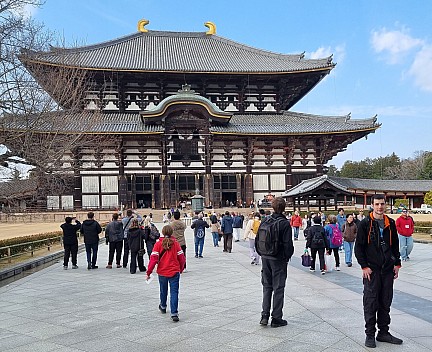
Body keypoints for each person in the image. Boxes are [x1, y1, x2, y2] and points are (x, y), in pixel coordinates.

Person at [354, 194, 403, 348]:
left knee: (385, 301)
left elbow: (395, 245)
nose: (380, 207)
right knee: (370, 301)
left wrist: (397, 264)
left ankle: (383, 332)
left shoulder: (391, 223)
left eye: (382, 204)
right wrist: (364, 266)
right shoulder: (365, 224)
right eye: (377, 204)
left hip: (387, 269)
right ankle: (370, 334)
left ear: (385, 205)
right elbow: (359, 247)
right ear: (372, 205)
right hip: (372, 270)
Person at [256, 197, 294, 328]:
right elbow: (288, 245)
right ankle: (277, 317)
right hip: (278, 259)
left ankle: (264, 315)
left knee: (267, 287)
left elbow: (257, 240)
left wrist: (262, 253)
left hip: (265, 257)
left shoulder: (265, 220)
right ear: (284, 207)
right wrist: (287, 257)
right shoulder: (284, 223)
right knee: (278, 288)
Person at [146, 225, 186, 322]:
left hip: (162, 271)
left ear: (163, 233)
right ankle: (174, 313)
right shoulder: (176, 244)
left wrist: (149, 272)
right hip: (174, 271)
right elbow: (182, 258)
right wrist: (180, 269)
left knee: (163, 290)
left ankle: (163, 306)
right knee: (174, 292)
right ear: (171, 232)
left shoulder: (158, 244)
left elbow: (153, 259)